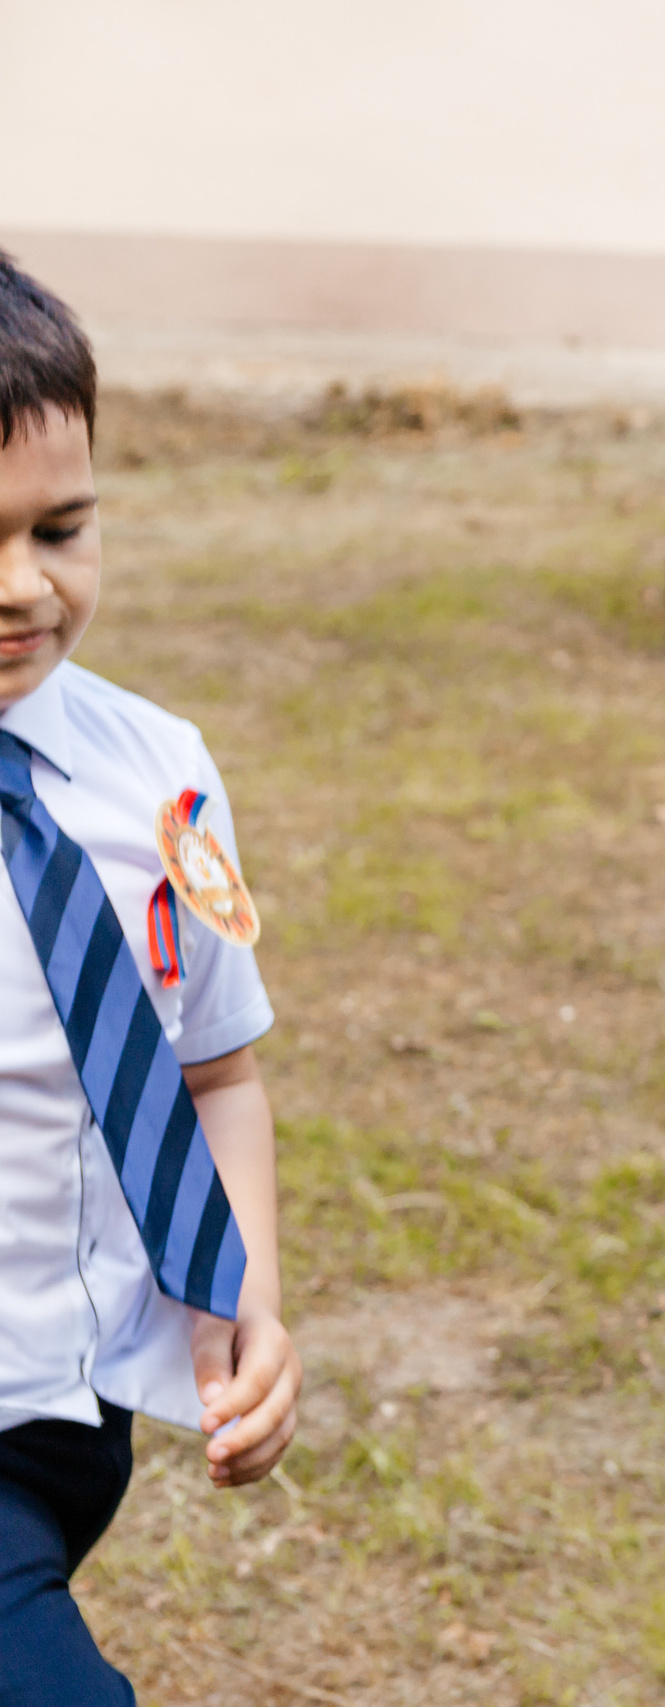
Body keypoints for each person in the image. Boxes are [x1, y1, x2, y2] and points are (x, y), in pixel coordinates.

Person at [0, 252, 301, 1706]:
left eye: (61, 528)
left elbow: (216, 1070)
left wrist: (249, 1304)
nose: (22, 585)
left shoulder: (160, 778)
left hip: (74, 1419)